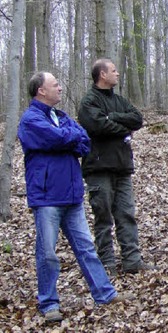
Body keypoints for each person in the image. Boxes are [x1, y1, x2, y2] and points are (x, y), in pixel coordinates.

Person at [18, 72, 133, 323]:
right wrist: (67, 139)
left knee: (86, 248)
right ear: (41, 91)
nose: (60, 88)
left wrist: (67, 139)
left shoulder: (61, 116)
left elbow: (83, 141)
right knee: (47, 252)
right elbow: (59, 138)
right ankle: (49, 303)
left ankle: (104, 293)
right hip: (47, 196)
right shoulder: (30, 119)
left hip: (72, 194)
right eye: (55, 85)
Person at [78, 59, 153, 275]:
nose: (117, 74)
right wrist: (122, 129)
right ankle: (107, 263)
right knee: (103, 216)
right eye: (113, 70)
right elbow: (97, 125)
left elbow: (137, 119)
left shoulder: (119, 101)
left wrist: (114, 117)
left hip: (122, 167)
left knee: (126, 214)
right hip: (98, 168)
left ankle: (132, 260)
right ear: (102, 74)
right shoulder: (89, 102)